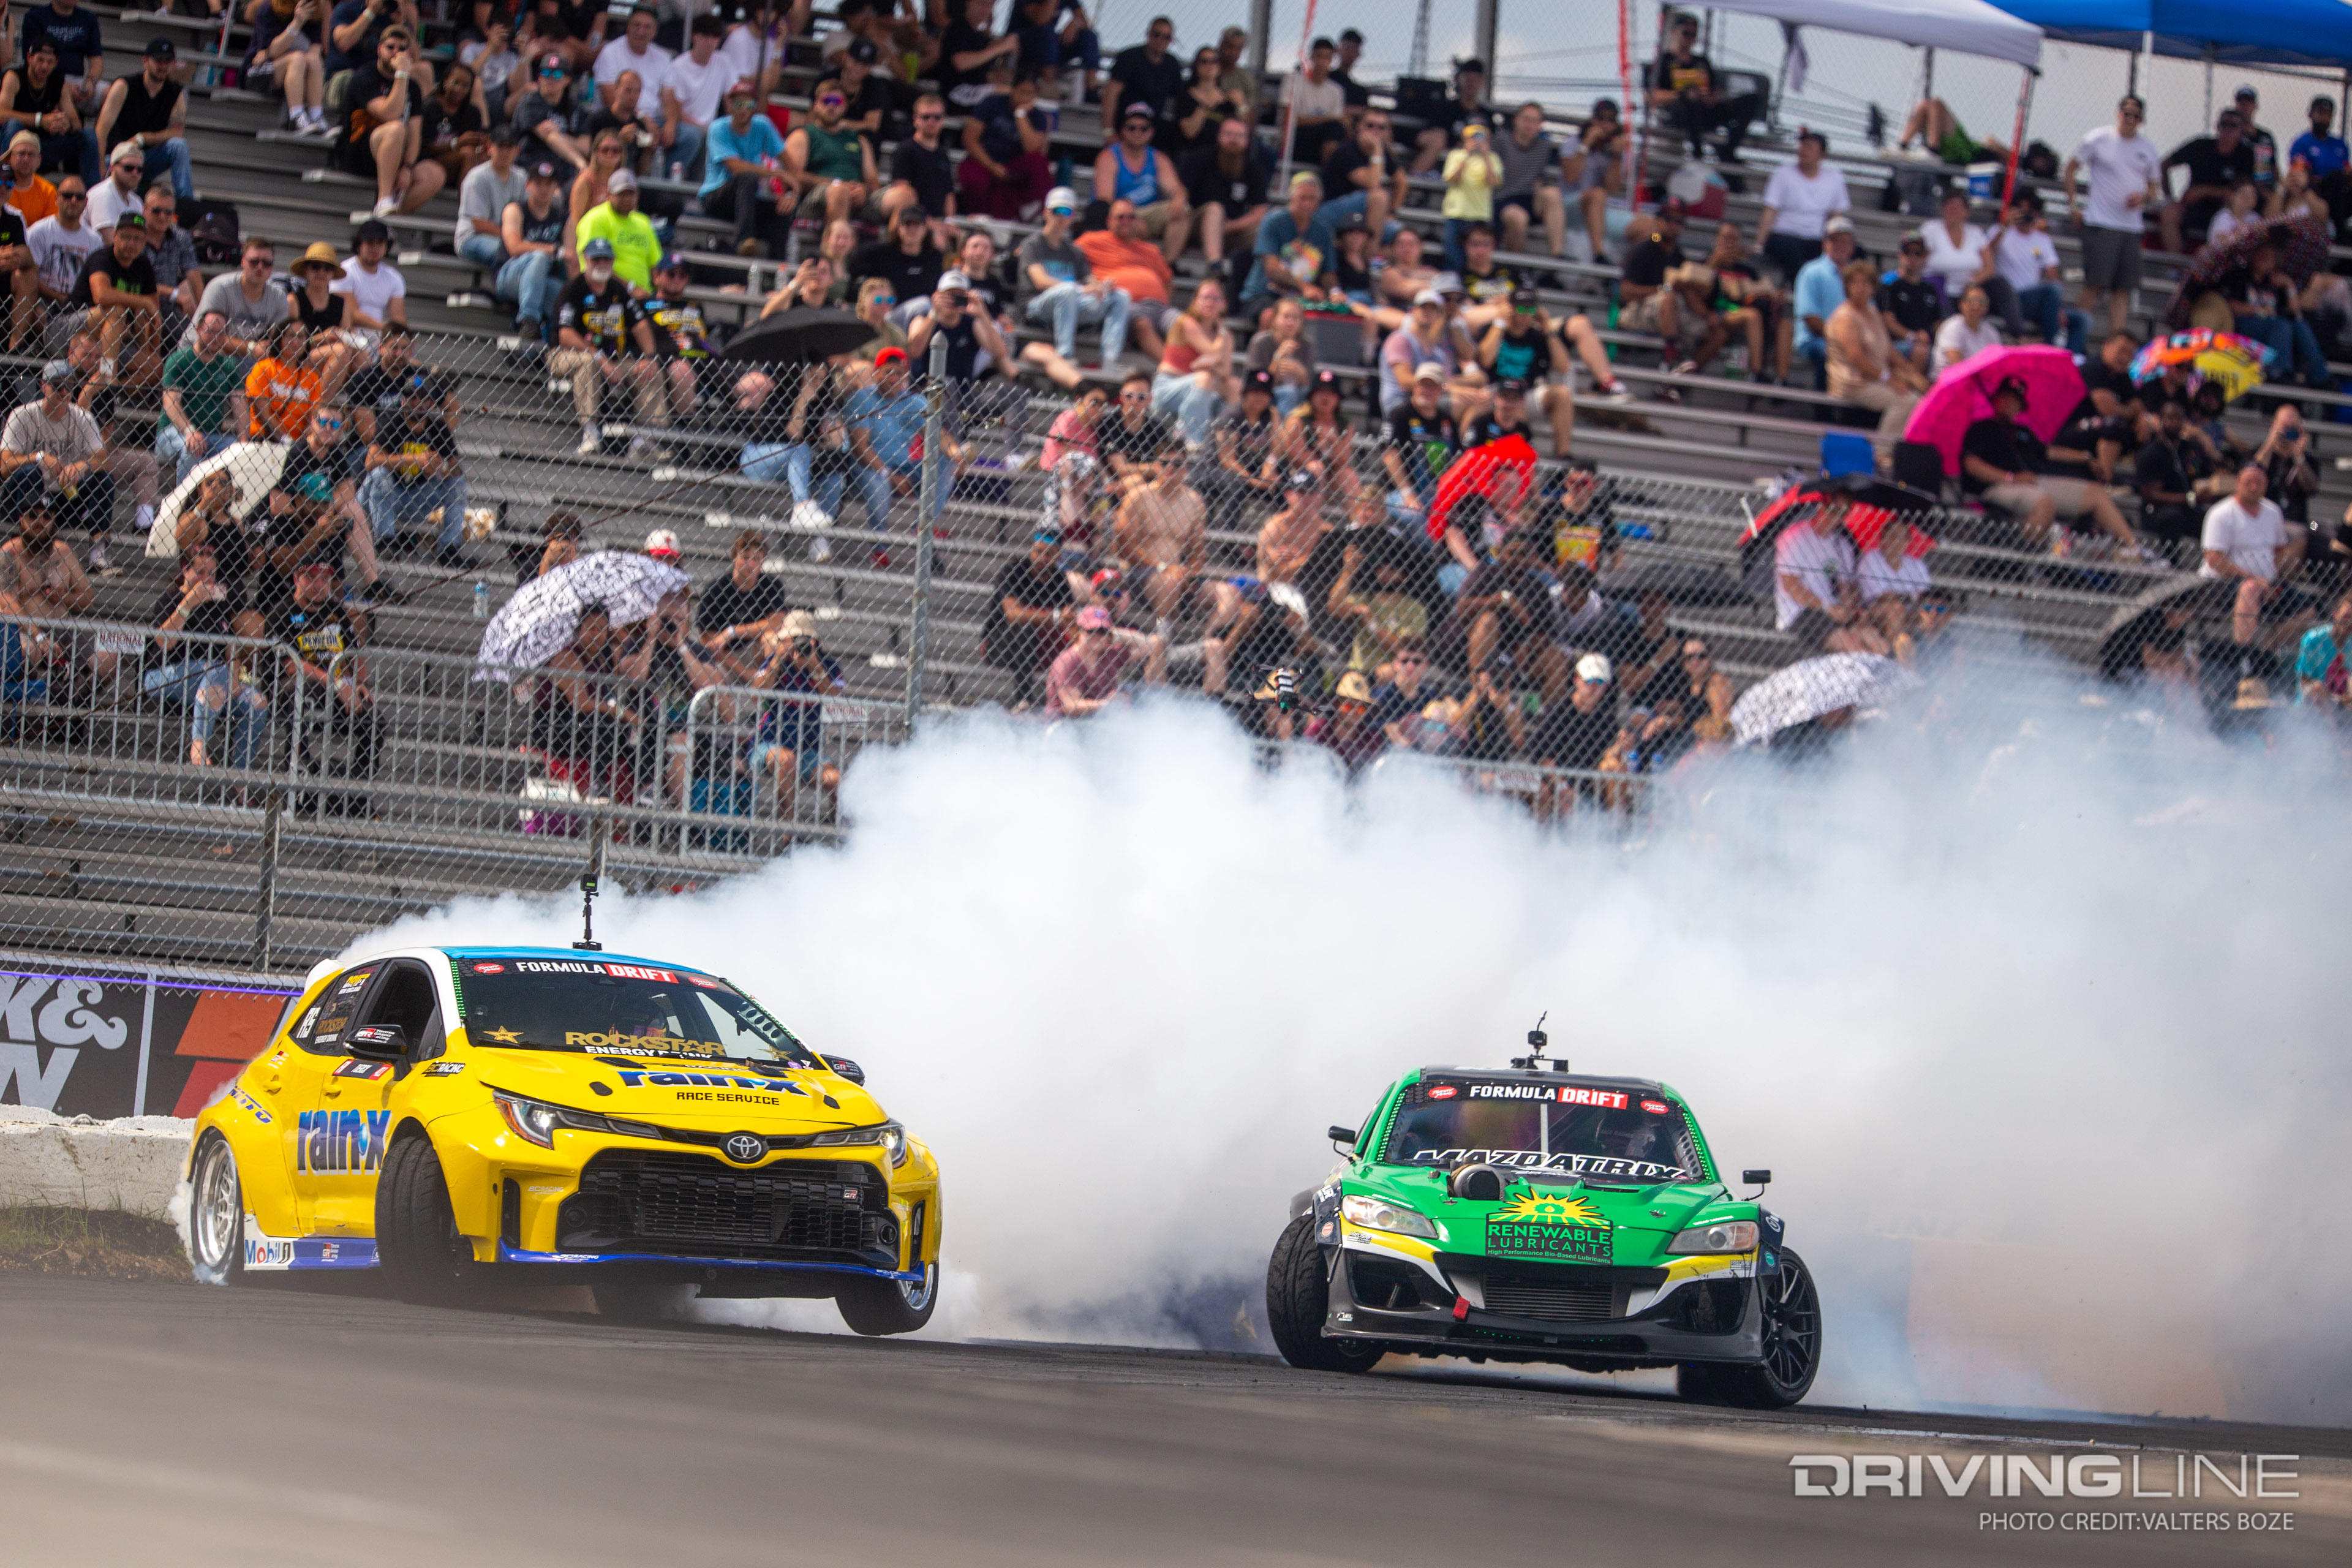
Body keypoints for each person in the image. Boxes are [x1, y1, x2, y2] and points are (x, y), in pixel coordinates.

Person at [1961, 375, 2141, 556]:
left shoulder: (2022, 432)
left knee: (2095, 493)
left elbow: (2049, 452)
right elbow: (1972, 465)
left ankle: (2135, 550)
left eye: (2015, 400)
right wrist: (2010, 478)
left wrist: (2086, 458)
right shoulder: (1981, 429)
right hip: (1997, 486)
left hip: (2032, 481)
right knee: (2043, 504)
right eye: (2006, 398)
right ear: (1997, 399)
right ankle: (2026, 559)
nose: (2010, 404)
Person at [549, 235, 662, 455]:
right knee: (589, 363)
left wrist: (650, 358)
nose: (601, 264)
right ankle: (590, 432)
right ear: (586, 259)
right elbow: (565, 335)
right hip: (567, 355)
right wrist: (600, 358)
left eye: (606, 259)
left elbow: (640, 326)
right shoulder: (574, 288)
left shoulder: (618, 291)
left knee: (650, 371)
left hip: (614, 360)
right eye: (596, 259)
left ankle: (643, 438)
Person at [2065, 97, 2164, 339]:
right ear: (2118, 114)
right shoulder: (2098, 139)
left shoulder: (2147, 148)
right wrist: (2074, 206)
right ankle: (2072, 338)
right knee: (2095, 285)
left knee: (2123, 290)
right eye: (2126, 113)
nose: (2129, 119)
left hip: (2131, 227)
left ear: (2141, 120)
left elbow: (2154, 188)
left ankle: (2116, 342)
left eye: (2135, 115)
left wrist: (2143, 198)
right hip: (2101, 223)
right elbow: (2070, 169)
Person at [0, 361, 111, 567]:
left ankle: (98, 552)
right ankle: (25, 543)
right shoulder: (23, 414)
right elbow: (5, 466)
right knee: (30, 472)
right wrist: (39, 457)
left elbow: (103, 458)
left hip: (63, 497)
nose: (64, 391)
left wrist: (82, 465)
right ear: (43, 386)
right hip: (25, 496)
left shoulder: (82, 418)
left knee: (104, 478)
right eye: (57, 385)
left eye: (69, 386)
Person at [2201, 462, 2315, 657]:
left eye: (2259, 483)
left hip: (2266, 583)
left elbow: (2279, 549)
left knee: (2308, 610)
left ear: (2266, 485)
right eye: (2248, 482)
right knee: (2250, 589)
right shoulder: (2221, 514)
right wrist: (2255, 579)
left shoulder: (2273, 512)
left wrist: (2271, 578)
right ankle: (2244, 654)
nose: (2253, 487)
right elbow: (2214, 559)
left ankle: (2263, 651)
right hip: (2222, 584)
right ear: (2237, 483)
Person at [1019, 185, 1129, 371]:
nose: (1062, 217)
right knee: (1067, 290)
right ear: (1046, 213)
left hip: (1072, 305)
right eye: (1057, 211)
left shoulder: (1074, 251)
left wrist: (1101, 288)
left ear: (1073, 216)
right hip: (1036, 305)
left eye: (1067, 212)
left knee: (1121, 296)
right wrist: (1080, 289)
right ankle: (1065, 354)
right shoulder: (1032, 244)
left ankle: (1109, 360)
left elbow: (1089, 280)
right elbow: (1040, 281)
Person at [1825, 260, 1923, 467]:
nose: (1861, 287)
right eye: (1855, 283)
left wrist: (1909, 370)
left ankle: (1902, 451)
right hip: (1853, 383)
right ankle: (1881, 452)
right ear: (1847, 286)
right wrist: (1890, 380)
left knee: (1919, 395)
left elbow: (1887, 349)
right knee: (1905, 400)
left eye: (1865, 283)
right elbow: (1857, 358)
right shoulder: (1845, 317)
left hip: (1874, 378)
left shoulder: (1872, 312)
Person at [340, 26, 445, 220]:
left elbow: (414, 131)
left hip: (398, 154)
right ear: (380, 49)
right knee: (395, 129)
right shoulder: (365, 77)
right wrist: (402, 74)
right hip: (362, 150)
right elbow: (390, 114)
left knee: (435, 174)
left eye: (402, 49)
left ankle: (385, 218)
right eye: (391, 47)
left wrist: (408, 167)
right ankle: (384, 198)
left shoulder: (412, 87)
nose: (396, 53)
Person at [1111, 435, 1205, 631]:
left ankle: (1207, 642)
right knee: (1169, 582)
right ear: (1155, 466)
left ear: (1185, 469)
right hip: (1139, 573)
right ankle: (1163, 641)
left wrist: (1190, 573)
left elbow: (1198, 551)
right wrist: (1162, 567)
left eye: (1177, 464)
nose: (1171, 468)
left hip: (1177, 574)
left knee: (1226, 595)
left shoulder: (1194, 502)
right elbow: (1125, 548)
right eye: (1165, 463)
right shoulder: (1138, 497)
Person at [1646, 12, 1760, 162]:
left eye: (1693, 35)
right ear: (1674, 32)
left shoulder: (1702, 61)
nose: (1690, 38)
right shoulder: (1664, 61)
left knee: (1753, 100)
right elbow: (1651, 96)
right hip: (1679, 114)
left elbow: (1716, 90)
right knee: (1690, 98)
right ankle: (1698, 153)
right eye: (1686, 33)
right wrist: (1683, 95)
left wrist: (1713, 97)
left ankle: (1729, 149)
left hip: (1706, 112)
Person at [982, 522, 1077, 705]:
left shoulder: (1060, 580)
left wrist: (1068, 622)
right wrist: (1056, 617)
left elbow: (1070, 617)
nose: (1041, 558)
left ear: (1058, 557)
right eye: (1038, 551)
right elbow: (1013, 614)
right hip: (1000, 643)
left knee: (1079, 639)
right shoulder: (1014, 571)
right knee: (1026, 629)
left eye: (1048, 554)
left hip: (1043, 646)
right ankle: (1023, 700)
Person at [698, 78, 790, 258]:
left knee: (782, 211)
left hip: (746, 202)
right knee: (748, 178)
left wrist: (791, 195)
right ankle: (744, 241)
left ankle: (777, 267)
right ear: (730, 104)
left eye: (748, 103)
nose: (742, 108)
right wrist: (777, 173)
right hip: (715, 197)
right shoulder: (718, 128)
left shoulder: (763, 125)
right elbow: (737, 168)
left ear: (755, 106)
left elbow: (790, 162)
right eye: (738, 103)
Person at [954, 58, 1052, 222]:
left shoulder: (1038, 116)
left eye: (1030, 93)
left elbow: (1033, 149)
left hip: (1014, 165)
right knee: (972, 176)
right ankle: (979, 217)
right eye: (1022, 92)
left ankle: (1032, 214)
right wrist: (992, 166)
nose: (1025, 97)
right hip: (985, 160)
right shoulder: (991, 104)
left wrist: (1021, 116)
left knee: (1039, 163)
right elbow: (970, 139)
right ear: (1012, 90)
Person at [156, 309, 248, 483]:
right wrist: (189, 430)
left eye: (221, 334)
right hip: (174, 432)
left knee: (240, 451)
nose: (216, 338)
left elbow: (240, 403)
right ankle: (183, 504)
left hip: (211, 435)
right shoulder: (180, 360)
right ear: (198, 330)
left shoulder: (228, 365)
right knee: (193, 448)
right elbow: (170, 401)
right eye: (211, 332)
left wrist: (243, 443)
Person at [1091, 102, 1189, 262]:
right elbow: (1105, 201)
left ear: (1151, 132)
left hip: (1146, 215)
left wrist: (1179, 199)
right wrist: (1131, 218)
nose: (1138, 132)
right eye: (1132, 128)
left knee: (1182, 211)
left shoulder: (1158, 158)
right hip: (1119, 214)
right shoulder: (1109, 157)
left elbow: (1177, 189)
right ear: (1123, 130)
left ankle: (1166, 265)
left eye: (1144, 128)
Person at [782, 75, 881, 232]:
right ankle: (834, 254)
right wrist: (835, 184)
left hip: (857, 199)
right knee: (839, 191)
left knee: (903, 196)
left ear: (845, 106)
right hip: (813, 200)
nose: (831, 106)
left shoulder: (860, 140)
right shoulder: (803, 135)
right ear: (816, 105)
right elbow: (793, 177)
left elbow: (873, 181)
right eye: (826, 101)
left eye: (837, 102)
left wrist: (864, 191)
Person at [95, 38, 190, 200]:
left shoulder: (176, 92)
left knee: (178, 146)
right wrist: (100, 168)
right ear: (145, 61)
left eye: (168, 61)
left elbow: (177, 133)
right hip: (118, 156)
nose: (163, 66)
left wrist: (142, 138)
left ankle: (186, 202)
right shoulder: (124, 86)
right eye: (159, 61)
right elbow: (101, 130)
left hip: (147, 157)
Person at [1991, 197, 2088, 353]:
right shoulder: (2000, 232)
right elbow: (1986, 254)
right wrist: (2005, 226)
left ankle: (2066, 362)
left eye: (2029, 212)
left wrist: (2059, 307)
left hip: (2035, 302)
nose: (2024, 216)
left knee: (2082, 320)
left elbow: (2052, 274)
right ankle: (2051, 350)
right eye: (2019, 211)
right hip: (2008, 300)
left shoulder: (2043, 240)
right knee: (2052, 291)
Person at [1146, 278, 1232, 447]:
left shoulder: (1225, 335)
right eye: (1205, 297)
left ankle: (1229, 444)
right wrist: (1212, 360)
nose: (1210, 302)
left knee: (1233, 385)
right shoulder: (1186, 322)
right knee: (1205, 378)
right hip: (1167, 388)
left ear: (1223, 304)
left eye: (1215, 299)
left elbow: (1226, 372)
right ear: (1195, 301)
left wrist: (1209, 363)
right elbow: (1214, 352)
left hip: (1199, 391)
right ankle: (1195, 442)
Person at [2136, 396, 2226, 557]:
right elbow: (2151, 495)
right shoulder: (2150, 453)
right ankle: (2170, 560)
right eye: (2170, 418)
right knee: (2172, 517)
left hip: (2190, 507)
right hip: (2158, 511)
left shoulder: (2191, 449)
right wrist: (2190, 498)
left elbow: (2207, 473)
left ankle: (2211, 561)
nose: (2174, 423)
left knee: (2214, 518)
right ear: (2161, 420)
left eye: (2178, 418)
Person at [1240, 172, 1333, 327]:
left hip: (1302, 299)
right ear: (1292, 198)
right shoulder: (1274, 222)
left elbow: (1329, 272)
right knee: (1271, 316)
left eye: (1312, 199)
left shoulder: (1323, 230)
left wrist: (1335, 292)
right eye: (1303, 198)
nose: (1307, 204)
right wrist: (1304, 287)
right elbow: (1272, 268)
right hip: (1265, 294)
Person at [0, 39, 96, 189]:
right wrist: (40, 120)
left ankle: (92, 194)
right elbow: (1, 115)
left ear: (56, 63)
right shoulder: (14, 77)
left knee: (88, 135)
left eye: (50, 62)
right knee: (13, 125)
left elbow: (76, 123)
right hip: (17, 145)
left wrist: (65, 124)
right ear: (29, 58)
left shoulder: (59, 82)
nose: (44, 66)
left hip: (43, 147)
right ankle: (5, 182)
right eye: (40, 60)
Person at [2161, 108, 2256, 257]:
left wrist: (2204, 191)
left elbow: (2245, 188)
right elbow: (2164, 164)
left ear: (2241, 130)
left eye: (2233, 125)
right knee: (2170, 213)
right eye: (2224, 124)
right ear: (2217, 126)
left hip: (2227, 210)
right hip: (2195, 207)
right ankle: (2177, 266)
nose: (2228, 129)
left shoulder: (2245, 154)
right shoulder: (2200, 146)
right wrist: (2169, 196)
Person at [1180, 115, 1270, 272]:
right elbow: (1181, 193)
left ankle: (1261, 276)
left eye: (1239, 136)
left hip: (1232, 230)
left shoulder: (1254, 168)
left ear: (1247, 141)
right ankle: (1215, 267)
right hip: (1196, 226)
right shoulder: (1199, 159)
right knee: (1215, 209)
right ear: (1219, 137)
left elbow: (1260, 211)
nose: (1233, 141)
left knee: (1264, 227)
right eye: (1229, 135)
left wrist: (1231, 226)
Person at [1756, 129, 1849, 280]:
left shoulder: (1835, 178)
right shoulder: (1783, 173)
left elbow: (1836, 216)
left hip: (1816, 238)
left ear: (1822, 154)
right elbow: (1770, 211)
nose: (1803, 151)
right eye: (1802, 146)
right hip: (1784, 235)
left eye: (1810, 147)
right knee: (1793, 253)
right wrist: (1759, 244)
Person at [1044, 601, 1163, 715]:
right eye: (1092, 630)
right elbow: (1072, 707)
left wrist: (1114, 633)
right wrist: (1108, 704)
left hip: (1097, 720)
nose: (1098, 635)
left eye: (1103, 631)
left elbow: (1151, 644)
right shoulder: (1068, 661)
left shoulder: (1108, 654)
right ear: (1078, 630)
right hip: (1065, 725)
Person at [1918, 192, 2017, 328]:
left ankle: (2017, 333)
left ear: (1966, 212)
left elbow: (1989, 267)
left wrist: (1972, 282)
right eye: (1949, 206)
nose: (1953, 210)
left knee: (2000, 284)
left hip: (1969, 288)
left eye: (1958, 207)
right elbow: (1920, 258)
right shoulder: (1930, 230)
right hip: (1940, 288)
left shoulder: (1975, 232)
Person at [497, 156, 568, 341]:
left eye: (549, 184)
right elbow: (514, 247)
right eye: (538, 184)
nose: (544, 189)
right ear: (528, 185)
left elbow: (571, 255)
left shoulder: (562, 217)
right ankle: (529, 321)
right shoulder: (515, 209)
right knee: (539, 258)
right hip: (510, 275)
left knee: (566, 298)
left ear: (555, 187)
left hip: (542, 281)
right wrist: (552, 250)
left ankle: (553, 338)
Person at [658, 14, 731, 178]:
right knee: (700, 137)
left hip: (709, 128)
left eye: (714, 37)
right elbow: (677, 112)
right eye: (705, 36)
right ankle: (672, 180)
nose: (710, 41)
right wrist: (707, 128)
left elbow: (730, 101)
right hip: (684, 126)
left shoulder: (724, 62)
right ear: (694, 36)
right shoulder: (678, 66)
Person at [26, 174, 101, 331]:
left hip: (80, 304)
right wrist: (59, 297)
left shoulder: (95, 239)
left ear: (86, 202)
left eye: (79, 197)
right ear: (56, 199)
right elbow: (30, 278)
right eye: (67, 196)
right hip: (44, 301)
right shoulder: (39, 232)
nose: (73, 201)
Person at [696, 528, 791, 651]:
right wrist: (744, 671)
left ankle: (766, 670)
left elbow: (776, 623)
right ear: (734, 556)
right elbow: (709, 641)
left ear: (763, 562)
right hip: (724, 655)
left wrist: (732, 632)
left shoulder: (772, 586)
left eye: (756, 559)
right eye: (745, 557)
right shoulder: (716, 590)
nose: (751, 564)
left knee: (771, 639)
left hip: (755, 651)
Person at [456, 121, 527, 273]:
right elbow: (479, 224)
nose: (505, 152)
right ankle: (502, 292)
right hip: (471, 238)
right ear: (490, 148)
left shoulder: (522, 178)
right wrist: (514, 241)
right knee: (502, 251)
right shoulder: (477, 177)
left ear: (517, 151)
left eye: (509, 147)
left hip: (508, 238)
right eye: (501, 146)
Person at [575, 167, 661, 290]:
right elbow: (594, 265)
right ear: (608, 194)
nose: (626, 199)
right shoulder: (596, 219)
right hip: (606, 291)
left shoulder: (644, 222)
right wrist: (631, 288)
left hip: (644, 294)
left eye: (630, 194)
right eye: (621, 194)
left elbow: (655, 265)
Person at [1409, 56, 1496, 175]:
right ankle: (1416, 178)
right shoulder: (1445, 108)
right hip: (1444, 163)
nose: (1471, 83)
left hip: (1475, 169)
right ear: (1459, 79)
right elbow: (1433, 136)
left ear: (1482, 82)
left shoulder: (1486, 115)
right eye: (1468, 78)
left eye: (1476, 79)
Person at [511, 50, 592, 176]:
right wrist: (580, 162)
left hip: (564, 172)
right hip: (531, 170)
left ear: (568, 80)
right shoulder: (530, 102)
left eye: (558, 74)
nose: (551, 78)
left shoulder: (575, 108)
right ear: (539, 77)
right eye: (546, 73)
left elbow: (586, 147)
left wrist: (560, 135)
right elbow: (550, 137)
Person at [1438, 121, 1502, 273]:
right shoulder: (1456, 156)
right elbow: (1452, 179)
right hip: (1456, 213)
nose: (1477, 143)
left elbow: (1493, 181)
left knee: (1476, 258)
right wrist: (1466, 157)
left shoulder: (1493, 158)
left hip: (1479, 215)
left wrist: (1485, 157)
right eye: (1473, 138)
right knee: (1453, 255)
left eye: (1481, 139)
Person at [1101, 15, 1183, 132]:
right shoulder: (1129, 57)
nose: (1160, 40)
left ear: (1171, 40)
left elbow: (1179, 96)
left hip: (1153, 131)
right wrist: (1108, 131)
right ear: (1148, 34)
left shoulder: (1172, 64)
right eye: (1156, 35)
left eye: (1166, 37)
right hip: (1125, 128)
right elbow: (1111, 93)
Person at [888, 92, 957, 231]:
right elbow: (902, 192)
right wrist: (930, 223)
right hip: (912, 221)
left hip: (938, 221)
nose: (931, 121)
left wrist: (949, 222)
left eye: (937, 117)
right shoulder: (905, 150)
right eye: (926, 117)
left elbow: (949, 193)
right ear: (916, 119)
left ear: (943, 120)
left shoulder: (943, 155)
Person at [334, 217, 408, 335]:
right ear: (359, 244)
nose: (375, 248)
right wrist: (388, 329)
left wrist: (401, 335)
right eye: (370, 242)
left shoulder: (394, 277)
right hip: (349, 337)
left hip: (381, 341)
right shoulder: (344, 272)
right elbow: (352, 314)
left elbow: (398, 318)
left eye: (380, 243)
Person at [1282, 37, 1346, 167]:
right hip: (1297, 137)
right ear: (1311, 57)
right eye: (1319, 56)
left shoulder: (1336, 90)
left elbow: (1337, 122)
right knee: (1334, 127)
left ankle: (1330, 171)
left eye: (1327, 58)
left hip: (1323, 140)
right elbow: (1290, 120)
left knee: (1336, 130)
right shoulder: (1293, 81)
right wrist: (1327, 119)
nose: (1322, 62)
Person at [2293, 590, 2352, 704]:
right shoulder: (2314, 639)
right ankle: (2330, 724)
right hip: (2313, 702)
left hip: (2343, 703)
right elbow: (2304, 680)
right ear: (2335, 614)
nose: (2349, 622)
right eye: (2346, 617)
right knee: (2317, 688)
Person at [1932, 283, 2002, 379]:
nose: (1976, 306)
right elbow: (1957, 365)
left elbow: (1997, 362)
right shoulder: (1952, 327)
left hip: (1979, 380)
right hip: (1950, 381)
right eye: (1972, 301)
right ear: (1962, 304)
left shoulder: (1991, 331)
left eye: (1981, 302)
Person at [2290, 95, 2349, 185]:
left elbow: (2346, 170)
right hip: (2313, 191)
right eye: (2321, 113)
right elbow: (2300, 174)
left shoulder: (2340, 145)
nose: (2324, 118)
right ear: (2311, 114)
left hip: (2339, 191)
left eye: (2328, 114)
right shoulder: (2301, 143)